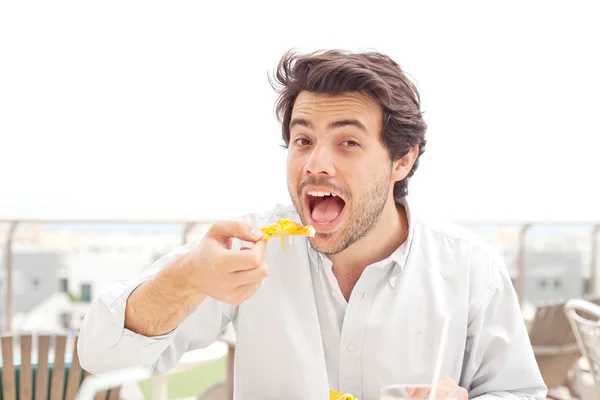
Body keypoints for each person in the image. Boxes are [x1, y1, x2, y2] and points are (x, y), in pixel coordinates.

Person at [78, 49, 547, 400]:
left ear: (402, 160)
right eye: (303, 139)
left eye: (347, 143)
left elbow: (519, 392)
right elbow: (102, 354)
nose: (316, 164)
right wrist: (184, 278)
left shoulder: (469, 270)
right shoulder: (245, 247)